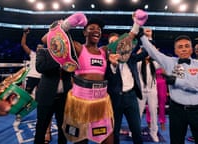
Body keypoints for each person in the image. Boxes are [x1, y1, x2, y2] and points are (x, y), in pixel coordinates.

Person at [41, 9, 147, 144]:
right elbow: (47, 40)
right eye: (92, 28)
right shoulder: (78, 48)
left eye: (99, 29)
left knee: (108, 139)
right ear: (84, 32)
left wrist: (136, 25)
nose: (96, 30)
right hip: (80, 102)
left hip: (101, 102)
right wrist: (68, 23)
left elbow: (125, 42)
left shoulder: (104, 51)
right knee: (80, 140)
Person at [138, 33, 198, 144]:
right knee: (176, 141)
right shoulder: (170, 62)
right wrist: (141, 35)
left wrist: (176, 81)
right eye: (180, 47)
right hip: (176, 110)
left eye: (186, 46)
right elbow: (152, 52)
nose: (183, 49)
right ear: (175, 50)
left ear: (191, 49)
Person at [106, 26, 149, 144]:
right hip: (115, 99)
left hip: (131, 97)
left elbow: (145, 53)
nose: (115, 44)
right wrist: (113, 65)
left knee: (136, 130)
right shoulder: (105, 62)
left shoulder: (130, 58)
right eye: (112, 43)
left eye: (117, 41)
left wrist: (147, 38)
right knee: (114, 131)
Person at [34, 48, 72, 144]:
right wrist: (59, 60)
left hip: (64, 97)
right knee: (41, 127)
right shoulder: (43, 51)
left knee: (63, 128)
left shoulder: (69, 53)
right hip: (46, 96)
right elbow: (39, 67)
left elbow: (75, 69)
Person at [21, 29, 52, 142]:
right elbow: (23, 44)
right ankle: (21, 113)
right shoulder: (33, 55)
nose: (39, 48)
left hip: (42, 79)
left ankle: (45, 128)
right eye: (38, 47)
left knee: (42, 102)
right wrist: (25, 34)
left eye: (41, 47)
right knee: (26, 97)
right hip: (32, 77)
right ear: (36, 49)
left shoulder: (46, 56)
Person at [136, 28, 160, 142]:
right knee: (138, 113)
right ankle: (134, 130)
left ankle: (154, 132)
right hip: (140, 91)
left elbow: (157, 54)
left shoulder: (155, 63)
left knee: (154, 112)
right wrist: (140, 51)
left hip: (152, 91)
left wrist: (150, 37)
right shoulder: (138, 63)